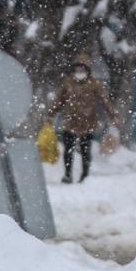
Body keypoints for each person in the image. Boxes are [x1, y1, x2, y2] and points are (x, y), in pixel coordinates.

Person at [48, 54, 117, 183]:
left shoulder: (94, 84)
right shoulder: (68, 83)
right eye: (77, 69)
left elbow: (104, 101)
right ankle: (68, 174)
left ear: (87, 71)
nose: (80, 72)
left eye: (82, 70)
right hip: (70, 121)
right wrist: (50, 114)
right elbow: (59, 101)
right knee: (68, 151)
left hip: (88, 122)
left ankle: (85, 175)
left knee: (86, 151)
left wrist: (112, 115)